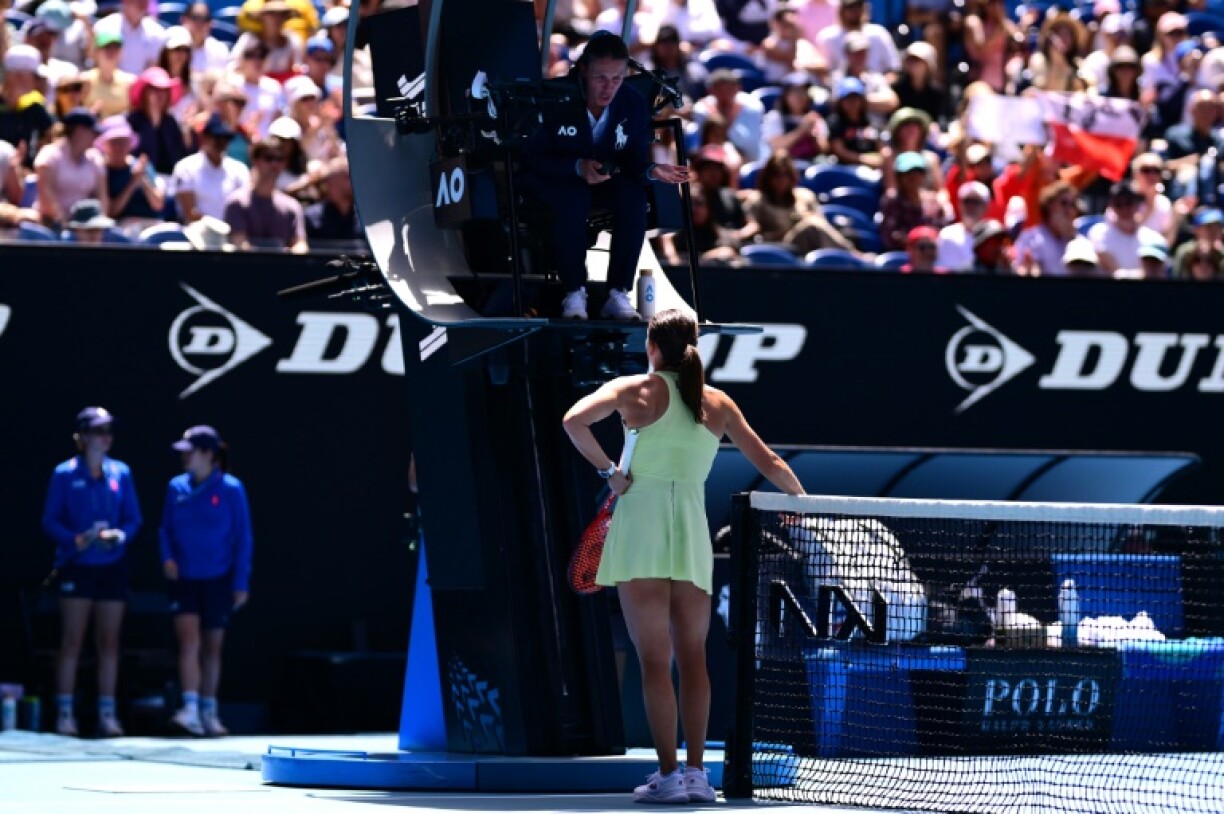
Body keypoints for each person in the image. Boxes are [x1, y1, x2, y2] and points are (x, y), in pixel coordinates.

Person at [561, 309, 804, 804]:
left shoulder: (633, 390)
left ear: (652, 348)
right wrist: (800, 502)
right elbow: (772, 462)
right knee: (694, 660)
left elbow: (573, 421)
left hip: (641, 532)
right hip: (691, 536)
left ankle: (670, 776)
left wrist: (609, 472)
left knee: (656, 662)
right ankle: (695, 775)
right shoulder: (717, 402)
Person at [520, 31, 689, 321]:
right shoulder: (556, 97)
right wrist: (576, 167)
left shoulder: (632, 102)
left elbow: (633, 159)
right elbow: (532, 159)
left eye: (616, 78)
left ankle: (617, 293)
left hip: (604, 180)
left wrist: (651, 169)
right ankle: (574, 291)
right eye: (600, 78)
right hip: (556, 181)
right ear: (584, 69)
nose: (608, 87)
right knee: (574, 196)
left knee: (634, 197)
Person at [41, 407, 142, 737]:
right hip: (77, 566)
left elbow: (133, 519)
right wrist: (75, 539)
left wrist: (120, 536)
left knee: (109, 642)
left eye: (108, 431)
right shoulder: (64, 474)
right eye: (98, 431)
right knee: (72, 641)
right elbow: (50, 521)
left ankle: (107, 715)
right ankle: (65, 714)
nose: (105, 438)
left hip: (112, 567)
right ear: (83, 436)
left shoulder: (121, 473)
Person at [160, 426, 253, 737]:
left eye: (190, 451)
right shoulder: (176, 487)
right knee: (189, 641)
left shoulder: (231, 489)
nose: (184, 457)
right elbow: (164, 530)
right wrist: (167, 558)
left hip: (218, 579)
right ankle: (189, 708)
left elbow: (243, 538)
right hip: (185, 578)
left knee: (212, 647)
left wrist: (240, 581)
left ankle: (209, 710)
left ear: (208, 454)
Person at [223, 136, 307, 251]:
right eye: (269, 158)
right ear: (255, 160)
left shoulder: (292, 207)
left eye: (280, 159)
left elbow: (300, 245)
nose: (274, 164)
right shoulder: (237, 203)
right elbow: (240, 244)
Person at [34, 108, 106, 226]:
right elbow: (46, 198)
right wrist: (65, 225)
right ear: (79, 131)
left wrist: (99, 224)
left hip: (89, 226)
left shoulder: (95, 158)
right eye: (93, 132)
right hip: (51, 225)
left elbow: (102, 197)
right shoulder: (49, 155)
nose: (95, 137)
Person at [173, 113, 250, 221]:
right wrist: (218, 228)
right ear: (204, 138)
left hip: (233, 233)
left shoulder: (239, 169)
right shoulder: (186, 167)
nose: (221, 143)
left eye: (225, 139)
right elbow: (190, 213)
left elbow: (246, 207)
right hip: (195, 233)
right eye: (217, 138)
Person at [97, 115, 166, 222]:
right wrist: (133, 182)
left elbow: (158, 204)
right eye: (115, 142)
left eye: (124, 141)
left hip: (151, 224)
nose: (120, 147)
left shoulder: (142, 166)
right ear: (105, 145)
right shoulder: (101, 170)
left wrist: (142, 178)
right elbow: (111, 212)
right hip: (120, 229)